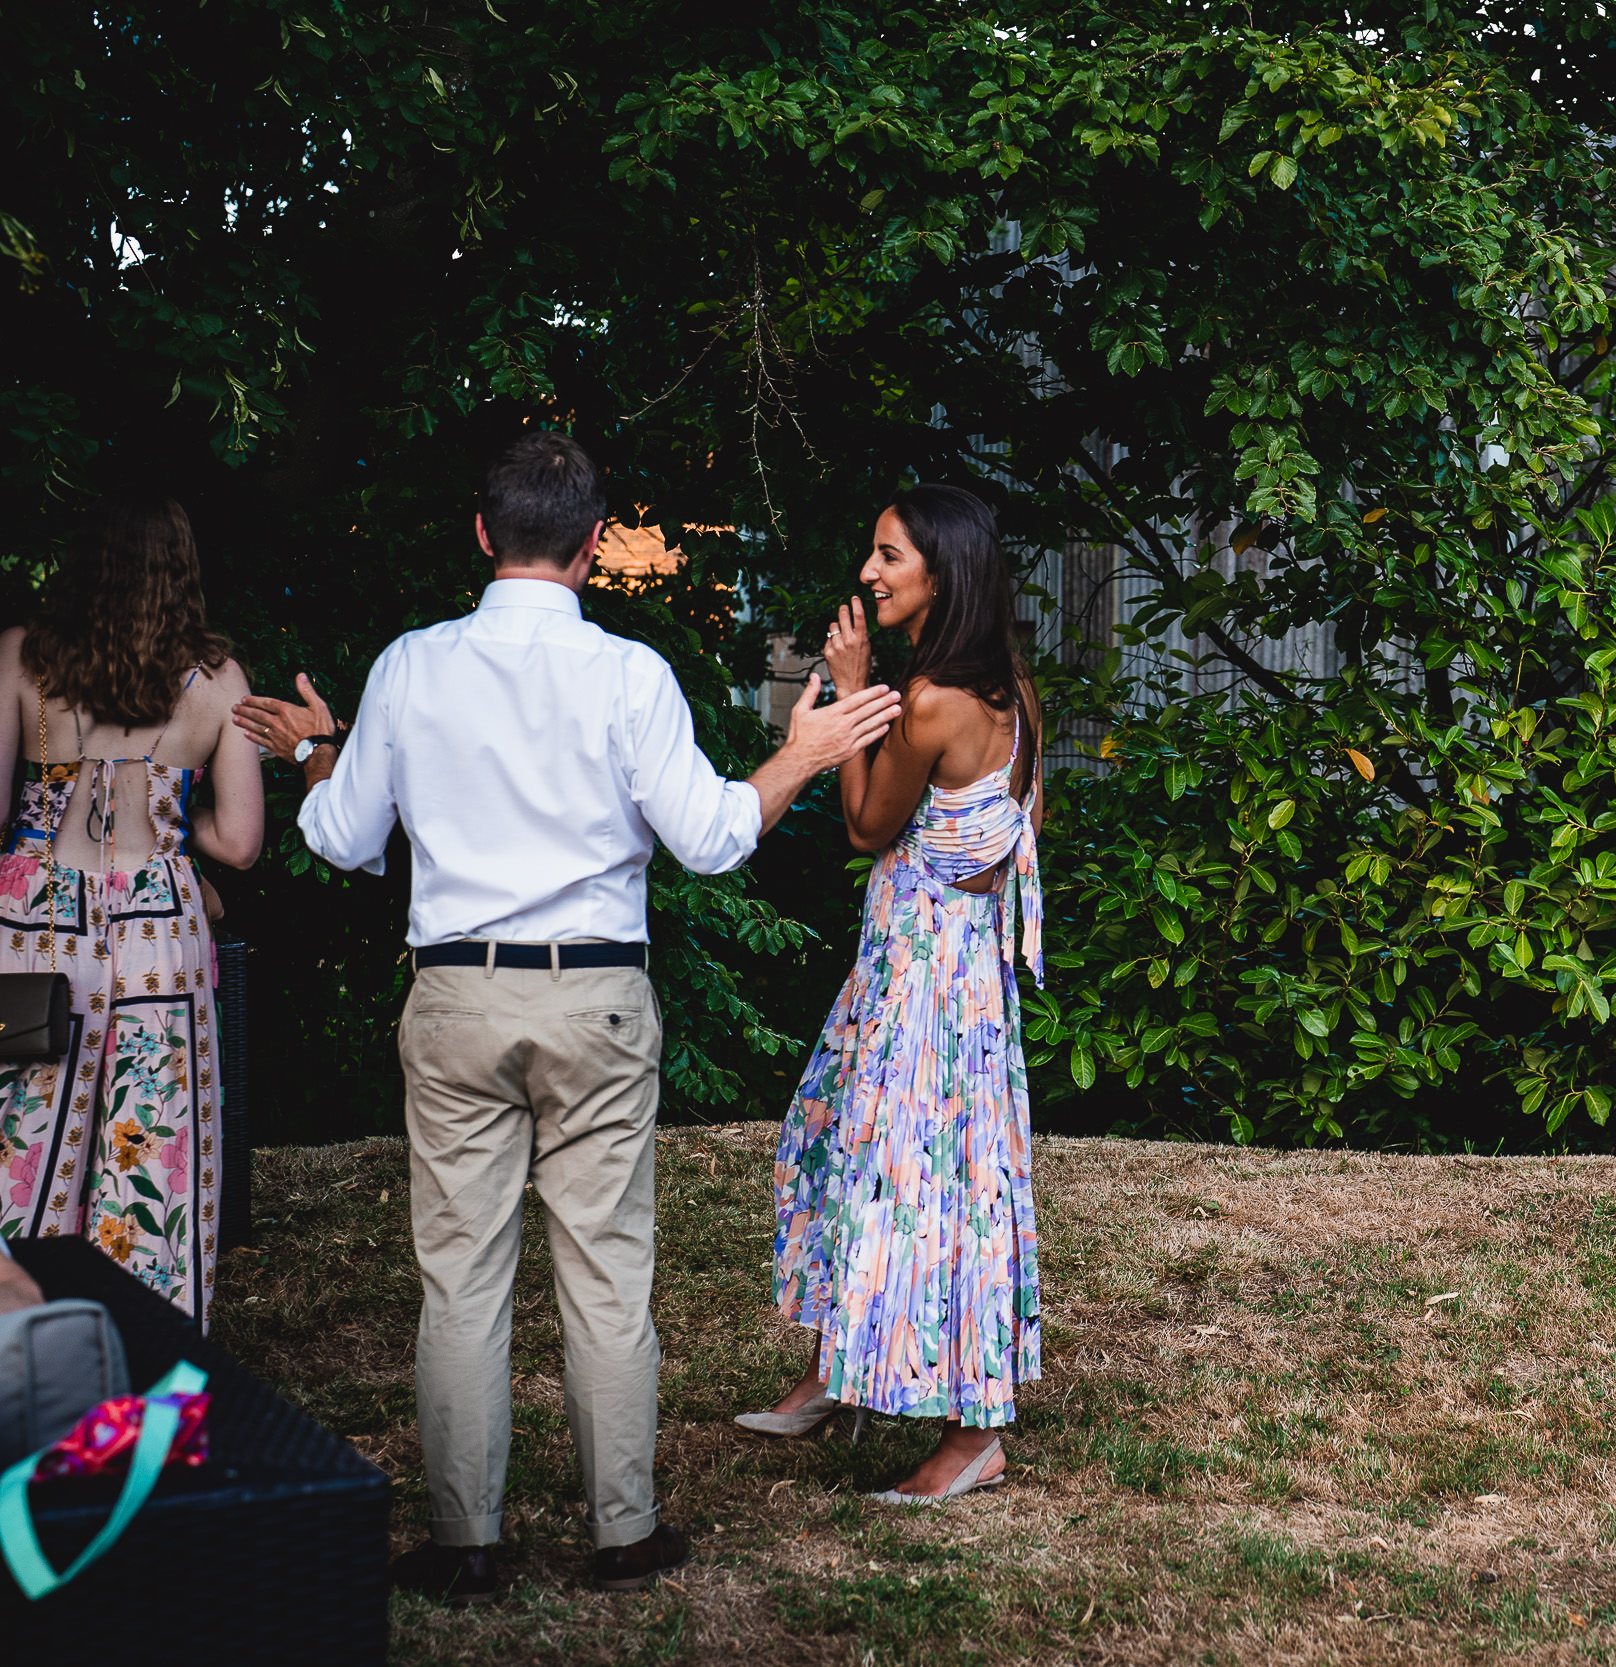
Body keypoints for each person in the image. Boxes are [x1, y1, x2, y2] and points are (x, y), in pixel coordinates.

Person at [230, 432, 902, 1606]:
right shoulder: (628, 675)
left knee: (461, 1276)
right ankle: (623, 1532)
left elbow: (338, 838)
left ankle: (465, 1541)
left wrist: (318, 751)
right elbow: (711, 838)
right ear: (595, 547)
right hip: (595, 993)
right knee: (606, 1268)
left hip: (455, 992)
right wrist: (799, 752)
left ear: (482, 534)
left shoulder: (411, 666)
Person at [741, 484, 1041, 1505]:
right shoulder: (1013, 690)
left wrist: (845, 695)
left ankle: (974, 1433)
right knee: (882, 1160)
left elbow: (868, 822)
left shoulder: (929, 700)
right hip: (964, 980)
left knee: (909, 1178)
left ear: (941, 572)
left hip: (924, 985)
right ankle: (845, 1366)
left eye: (888, 556)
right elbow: (1012, 837)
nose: (869, 572)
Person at [0, 496, 262, 1325]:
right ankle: (141, 1368)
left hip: (35, 924)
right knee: (154, 1149)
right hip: (158, 930)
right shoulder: (219, 681)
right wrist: (168, 814)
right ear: (181, 571)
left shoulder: (18, 658)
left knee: (21, 1139)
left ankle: (19, 1353)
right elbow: (242, 839)